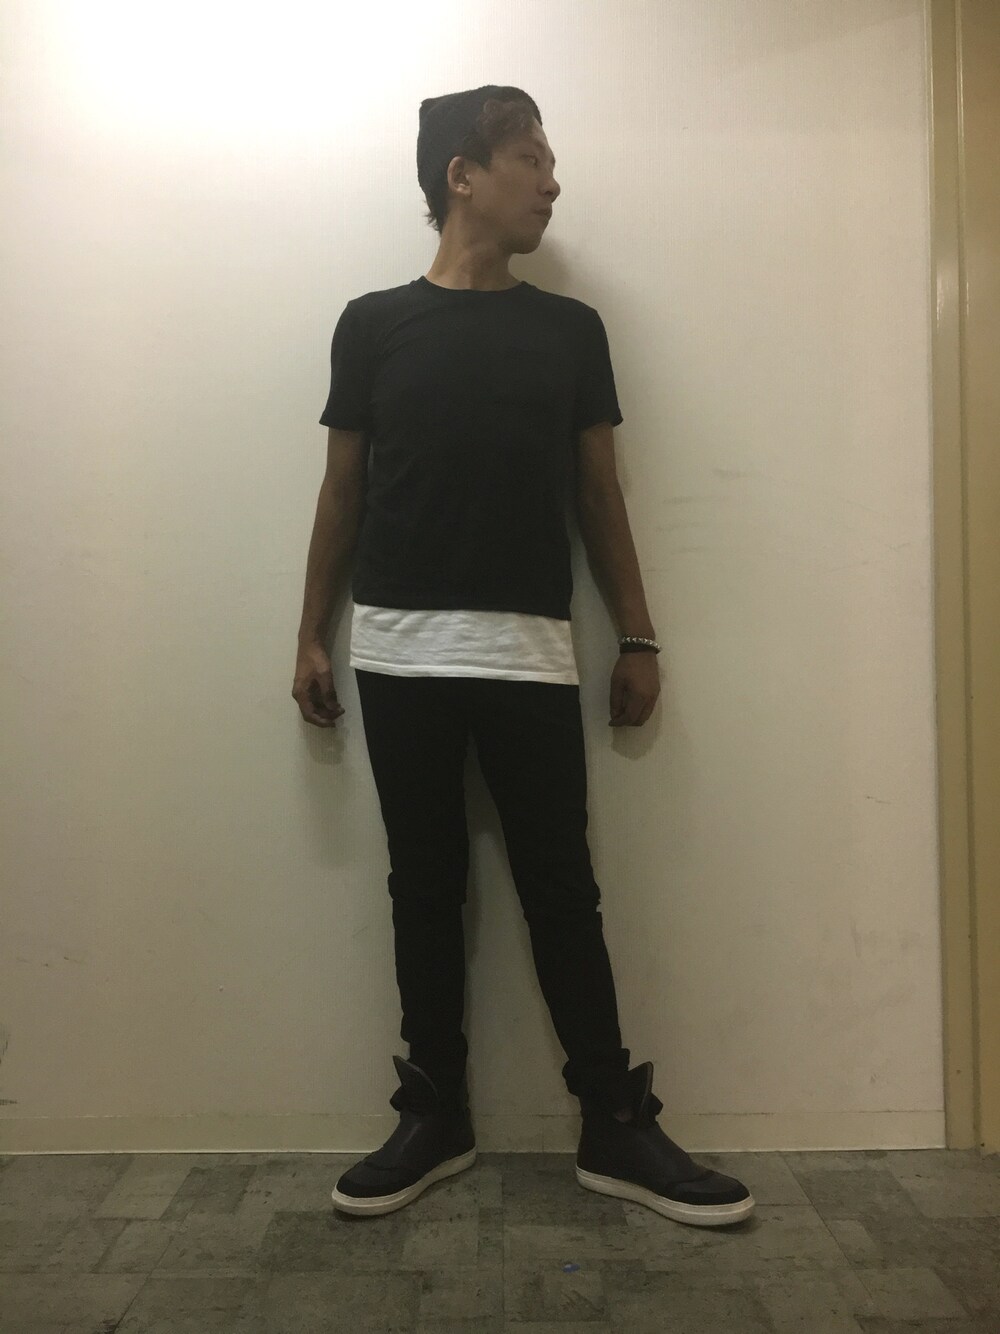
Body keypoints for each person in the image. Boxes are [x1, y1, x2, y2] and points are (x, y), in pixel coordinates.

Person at [293, 85, 754, 1228]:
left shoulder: (567, 331)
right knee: (422, 885)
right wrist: (309, 632)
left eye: (550, 163)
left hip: (531, 650)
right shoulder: (372, 323)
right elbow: (342, 491)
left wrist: (637, 632)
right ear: (462, 174)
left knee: (562, 887)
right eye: (531, 159)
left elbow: (599, 493)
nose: (552, 182)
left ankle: (613, 1120)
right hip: (397, 649)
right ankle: (434, 1111)